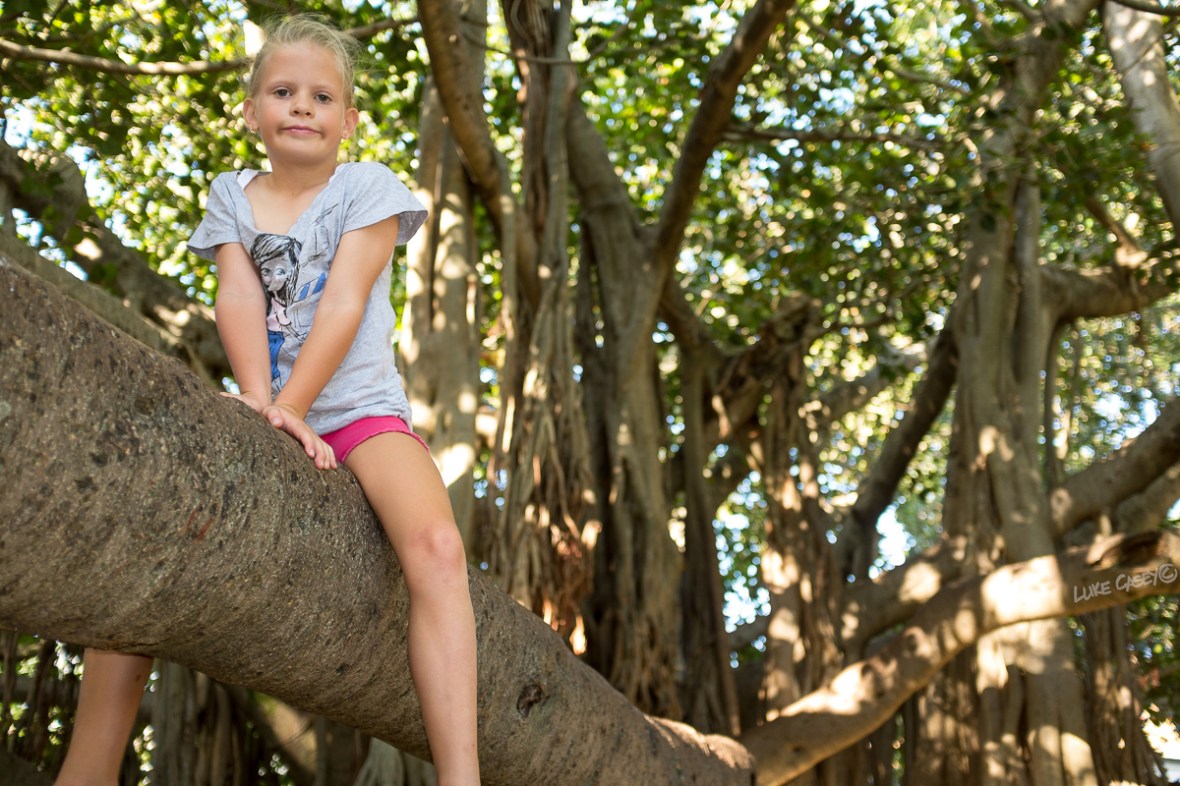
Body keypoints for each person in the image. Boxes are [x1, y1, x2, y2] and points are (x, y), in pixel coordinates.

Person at [53, 15, 481, 786]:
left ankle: (461, 776)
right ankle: (86, 773)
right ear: (251, 112)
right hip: (262, 406)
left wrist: (294, 406)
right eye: (283, 92)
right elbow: (239, 298)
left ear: (350, 121)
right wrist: (259, 401)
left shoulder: (368, 189)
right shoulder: (233, 195)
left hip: (359, 415)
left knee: (438, 548)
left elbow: (345, 303)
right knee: (151, 528)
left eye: (323, 96)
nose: (302, 106)